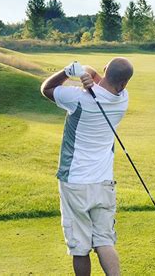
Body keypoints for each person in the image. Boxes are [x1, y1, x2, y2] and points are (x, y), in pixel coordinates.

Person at [41, 58, 134, 276]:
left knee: (80, 247)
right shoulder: (123, 99)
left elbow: (46, 88)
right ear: (124, 83)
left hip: (75, 183)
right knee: (104, 241)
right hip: (104, 183)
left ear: (104, 71)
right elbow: (103, 82)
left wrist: (69, 71)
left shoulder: (77, 98)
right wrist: (85, 75)